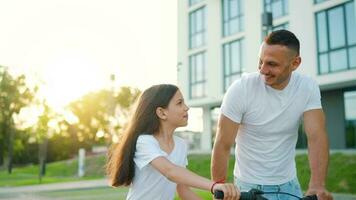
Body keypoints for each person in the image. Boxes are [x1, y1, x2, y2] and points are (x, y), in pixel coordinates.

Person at [211, 30, 333, 200]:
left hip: (289, 185)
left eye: (272, 64)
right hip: (248, 187)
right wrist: (219, 186)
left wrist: (317, 186)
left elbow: (317, 137)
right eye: (260, 61)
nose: (262, 70)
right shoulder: (241, 89)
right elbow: (223, 143)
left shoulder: (307, 87)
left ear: (295, 63)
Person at [106, 84, 239, 200]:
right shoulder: (145, 142)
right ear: (162, 113)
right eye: (179, 103)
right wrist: (214, 186)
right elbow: (170, 171)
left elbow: (183, 191)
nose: (186, 108)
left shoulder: (181, 145)